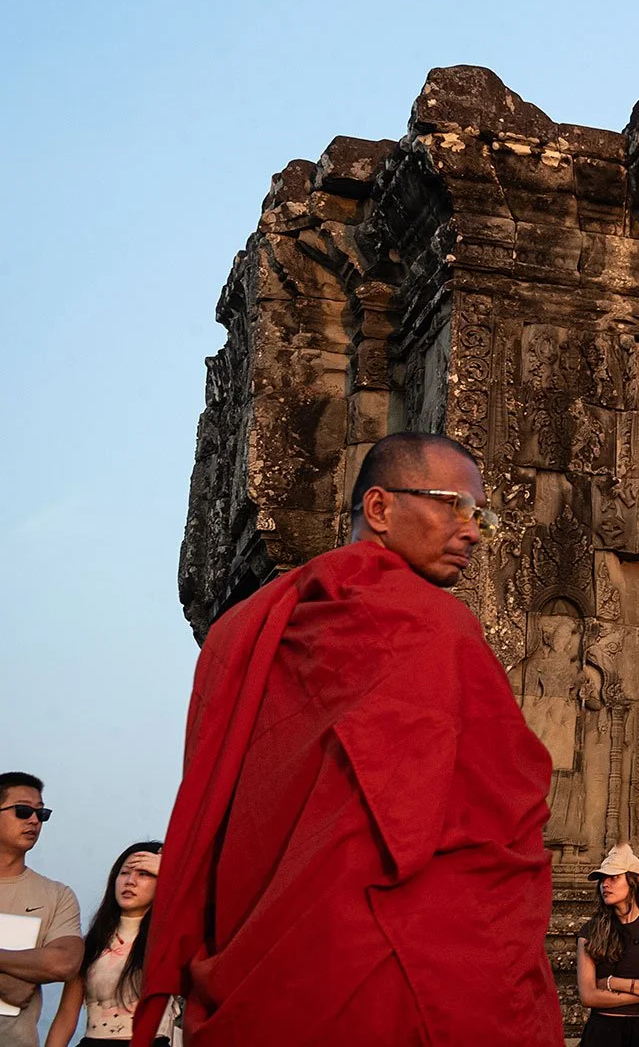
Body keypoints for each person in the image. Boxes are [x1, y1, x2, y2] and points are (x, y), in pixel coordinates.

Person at [134, 432, 563, 1046]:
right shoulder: (434, 624)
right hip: (389, 946)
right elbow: (502, 801)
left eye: (482, 516)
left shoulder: (252, 625)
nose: (472, 531)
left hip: (261, 944)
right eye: (454, 506)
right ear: (380, 508)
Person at [46, 841, 169, 1045]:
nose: (130, 881)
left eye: (145, 873)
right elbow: (66, 1016)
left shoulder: (169, 939)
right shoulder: (92, 943)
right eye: (125, 873)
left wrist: (171, 871)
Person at [0, 773, 82, 1047]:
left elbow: (64, 963)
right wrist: (9, 982)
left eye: (41, 813)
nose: (34, 820)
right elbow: (20, 985)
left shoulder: (57, 895)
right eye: (23, 811)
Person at [574, 844, 639, 1047]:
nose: (605, 884)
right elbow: (588, 996)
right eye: (602, 879)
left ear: (634, 882)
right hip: (603, 1033)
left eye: (613, 877)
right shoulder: (590, 931)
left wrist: (612, 983)